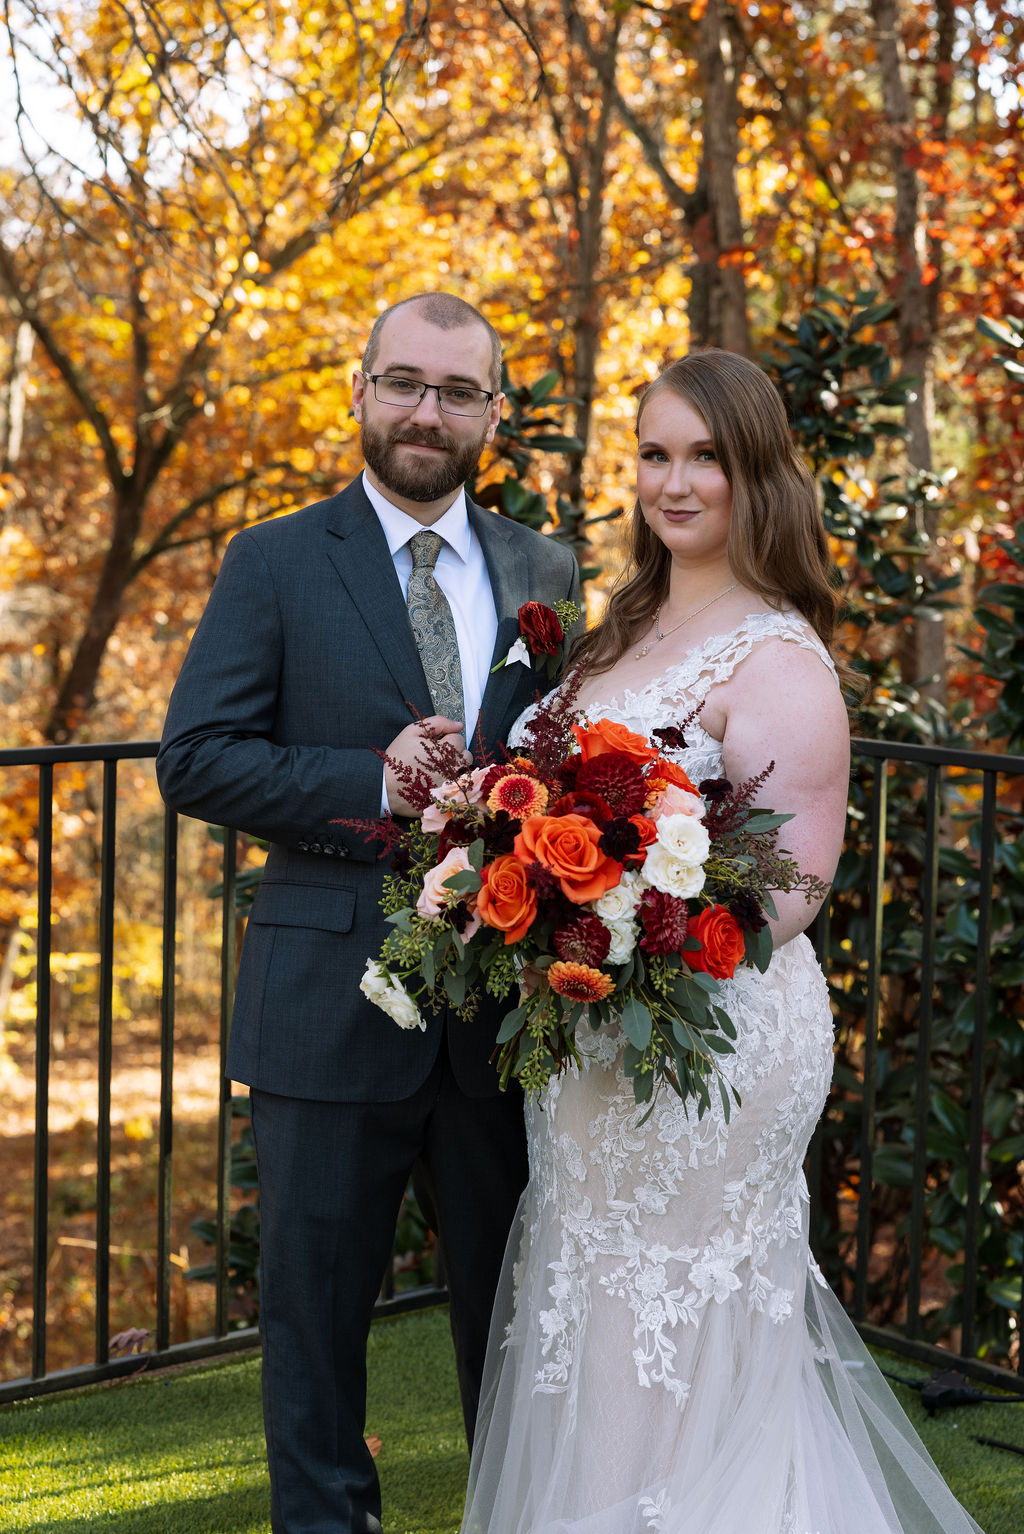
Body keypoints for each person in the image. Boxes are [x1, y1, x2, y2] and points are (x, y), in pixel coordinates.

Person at [460, 349, 983, 1533]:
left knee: (679, 1322)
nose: (674, 482)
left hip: (712, 1043)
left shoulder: (780, 658)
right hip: (594, 1037)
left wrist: (620, 913)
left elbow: (789, 887)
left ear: (759, 475)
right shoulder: (617, 627)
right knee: (591, 1309)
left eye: (707, 457)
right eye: (654, 453)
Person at [156, 291, 580, 1534]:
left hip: (503, 1018)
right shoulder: (275, 560)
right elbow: (197, 757)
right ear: (360, 390)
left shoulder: (543, 570)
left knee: (514, 1327)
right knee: (315, 1329)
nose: (425, 411)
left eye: (456, 391)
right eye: (403, 382)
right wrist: (369, 782)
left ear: (492, 413)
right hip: (324, 1013)